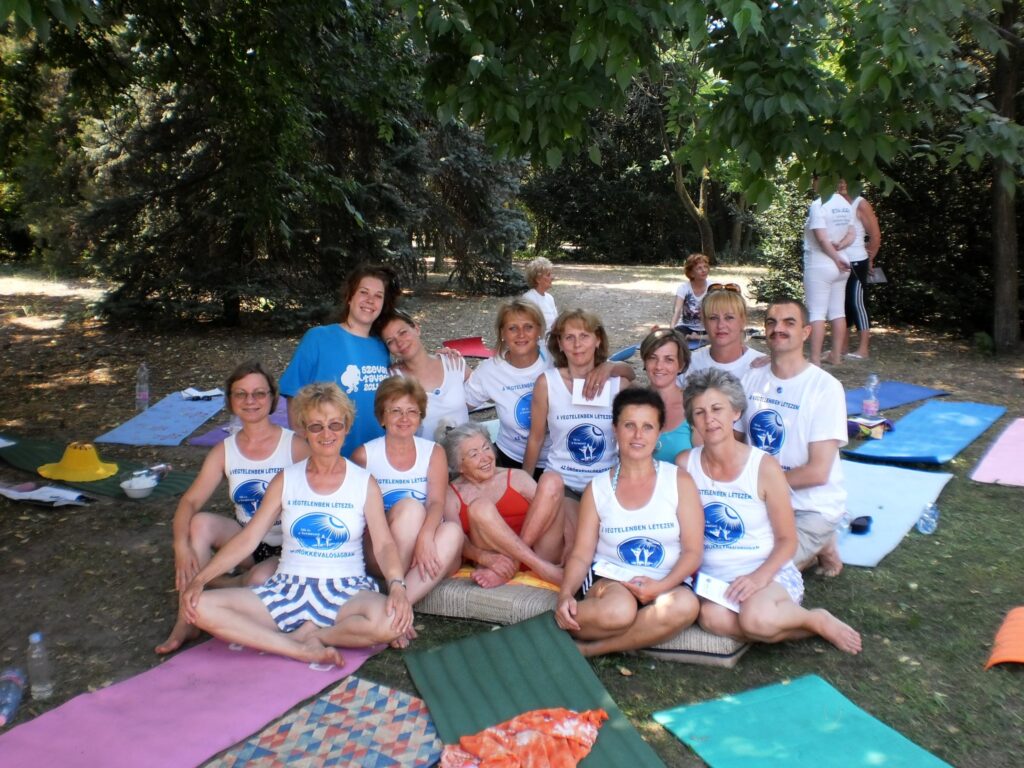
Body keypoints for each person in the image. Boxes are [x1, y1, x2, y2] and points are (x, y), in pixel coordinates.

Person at [180, 383, 413, 663]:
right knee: (199, 606)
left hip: (346, 589)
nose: (326, 434)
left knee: (392, 622)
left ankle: (316, 636)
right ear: (303, 430)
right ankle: (296, 648)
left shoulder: (364, 482)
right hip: (288, 587)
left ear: (346, 427)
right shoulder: (286, 479)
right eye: (316, 426)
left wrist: (397, 585)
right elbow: (249, 538)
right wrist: (200, 579)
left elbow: (384, 544)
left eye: (335, 425)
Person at [680, 369, 861, 654]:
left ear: (736, 412)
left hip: (766, 570)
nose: (709, 419)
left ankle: (815, 619)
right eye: (699, 413)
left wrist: (759, 577)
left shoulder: (763, 467)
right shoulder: (685, 465)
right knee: (712, 618)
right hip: (715, 578)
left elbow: (787, 540)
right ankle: (786, 629)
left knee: (756, 618)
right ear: (692, 421)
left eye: (717, 409)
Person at [156, 361, 309, 654]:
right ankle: (186, 620)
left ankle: (224, 583)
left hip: (288, 546)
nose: (250, 401)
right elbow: (190, 501)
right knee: (199, 523)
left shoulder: (296, 446)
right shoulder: (224, 450)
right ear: (230, 400)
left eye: (259, 393)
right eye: (241, 394)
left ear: (272, 398)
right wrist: (180, 545)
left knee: (259, 580)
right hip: (246, 542)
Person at [555, 388, 704, 657]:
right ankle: (640, 628)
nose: (638, 435)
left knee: (686, 605)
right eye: (629, 425)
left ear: (659, 433)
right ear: (615, 429)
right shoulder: (597, 488)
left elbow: (693, 551)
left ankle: (594, 648)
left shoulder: (679, 481)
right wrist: (565, 594)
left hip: (665, 581)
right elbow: (581, 554)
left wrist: (659, 587)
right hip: (612, 580)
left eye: (647, 427)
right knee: (620, 611)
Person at [740, 298, 848, 577]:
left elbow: (817, 472)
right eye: (771, 322)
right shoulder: (751, 377)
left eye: (789, 323)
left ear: (806, 332)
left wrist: (759, 487)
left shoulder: (825, 388)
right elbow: (736, 441)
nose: (778, 329)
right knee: (725, 556)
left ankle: (822, 540)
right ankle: (818, 546)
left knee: (765, 574)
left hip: (809, 507)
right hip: (760, 502)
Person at [465, 300, 634, 475]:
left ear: (539, 330)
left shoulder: (556, 355)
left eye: (528, 327)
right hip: (517, 457)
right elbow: (460, 405)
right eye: (512, 328)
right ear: (502, 333)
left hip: (567, 464)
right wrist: (454, 368)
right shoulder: (492, 372)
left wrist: (611, 366)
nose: (521, 334)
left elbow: (623, 376)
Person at [350, 376, 464, 599]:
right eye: (396, 411)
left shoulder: (433, 452)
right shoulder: (364, 455)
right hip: (383, 552)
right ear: (382, 416)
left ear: (420, 417)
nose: (404, 418)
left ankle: (398, 606)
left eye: (412, 411)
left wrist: (425, 538)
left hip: (428, 546)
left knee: (452, 531)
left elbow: (436, 502)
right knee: (411, 509)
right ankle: (398, 593)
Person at [523, 309, 629, 529]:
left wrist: (613, 367)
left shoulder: (619, 384)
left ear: (598, 340)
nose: (577, 344)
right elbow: (536, 438)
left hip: (604, 485)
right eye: (569, 337)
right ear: (560, 344)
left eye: (584, 336)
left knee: (588, 539)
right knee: (561, 541)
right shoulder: (546, 383)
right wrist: (524, 483)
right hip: (562, 484)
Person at [279, 264, 400, 456]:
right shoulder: (318, 338)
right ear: (349, 297)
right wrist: (304, 447)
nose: (370, 300)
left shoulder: (381, 346)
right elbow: (294, 394)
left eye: (378, 296)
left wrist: (444, 355)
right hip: (329, 455)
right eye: (363, 292)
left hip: (374, 454)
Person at [443, 423, 567, 588]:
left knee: (552, 480)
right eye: (474, 454)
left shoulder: (517, 477)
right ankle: (536, 567)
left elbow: (553, 508)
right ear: (459, 466)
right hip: (496, 561)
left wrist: (570, 544)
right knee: (480, 507)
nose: (485, 457)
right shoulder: (451, 494)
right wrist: (484, 558)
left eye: (486, 448)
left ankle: (518, 563)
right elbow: (458, 540)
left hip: (540, 552)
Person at [380, 310, 469, 440]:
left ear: (416, 328)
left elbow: (482, 392)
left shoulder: (453, 363)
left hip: (465, 450)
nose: (399, 342)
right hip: (423, 453)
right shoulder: (392, 380)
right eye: (390, 341)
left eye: (403, 332)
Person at [803, 180, 854, 366]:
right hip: (843, 263)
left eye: (814, 180)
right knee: (838, 311)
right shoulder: (845, 204)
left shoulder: (818, 205)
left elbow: (822, 239)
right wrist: (841, 247)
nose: (812, 183)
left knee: (817, 313)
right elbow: (852, 234)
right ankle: (836, 355)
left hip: (821, 263)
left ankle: (815, 359)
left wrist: (835, 257)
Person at [681, 286, 766, 383]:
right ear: (704, 322)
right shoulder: (690, 364)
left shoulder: (763, 365)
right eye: (713, 318)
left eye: (729, 317)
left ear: (742, 321)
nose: (720, 325)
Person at [839, 179, 882, 360]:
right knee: (842, 305)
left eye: (845, 180)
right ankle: (842, 347)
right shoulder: (833, 203)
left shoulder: (860, 203)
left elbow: (875, 235)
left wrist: (870, 258)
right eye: (838, 180)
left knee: (857, 303)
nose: (842, 184)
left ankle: (863, 349)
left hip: (857, 261)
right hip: (839, 262)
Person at [640, 328, 698, 462]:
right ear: (645, 361)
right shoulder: (633, 403)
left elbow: (703, 464)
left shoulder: (694, 406)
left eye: (669, 360)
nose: (659, 366)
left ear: (681, 365)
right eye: (652, 358)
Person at [670, 253, 710, 337]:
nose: (704, 270)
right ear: (691, 273)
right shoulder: (683, 288)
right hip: (685, 327)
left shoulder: (713, 287)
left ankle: (698, 337)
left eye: (705, 267)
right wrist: (672, 329)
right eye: (699, 268)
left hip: (707, 328)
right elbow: (677, 311)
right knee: (676, 336)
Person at [521, 256, 558, 334]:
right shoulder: (529, 298)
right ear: (538, 279)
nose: (552, 278)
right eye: (548, 275)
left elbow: (556, 322)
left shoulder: (550, 298)